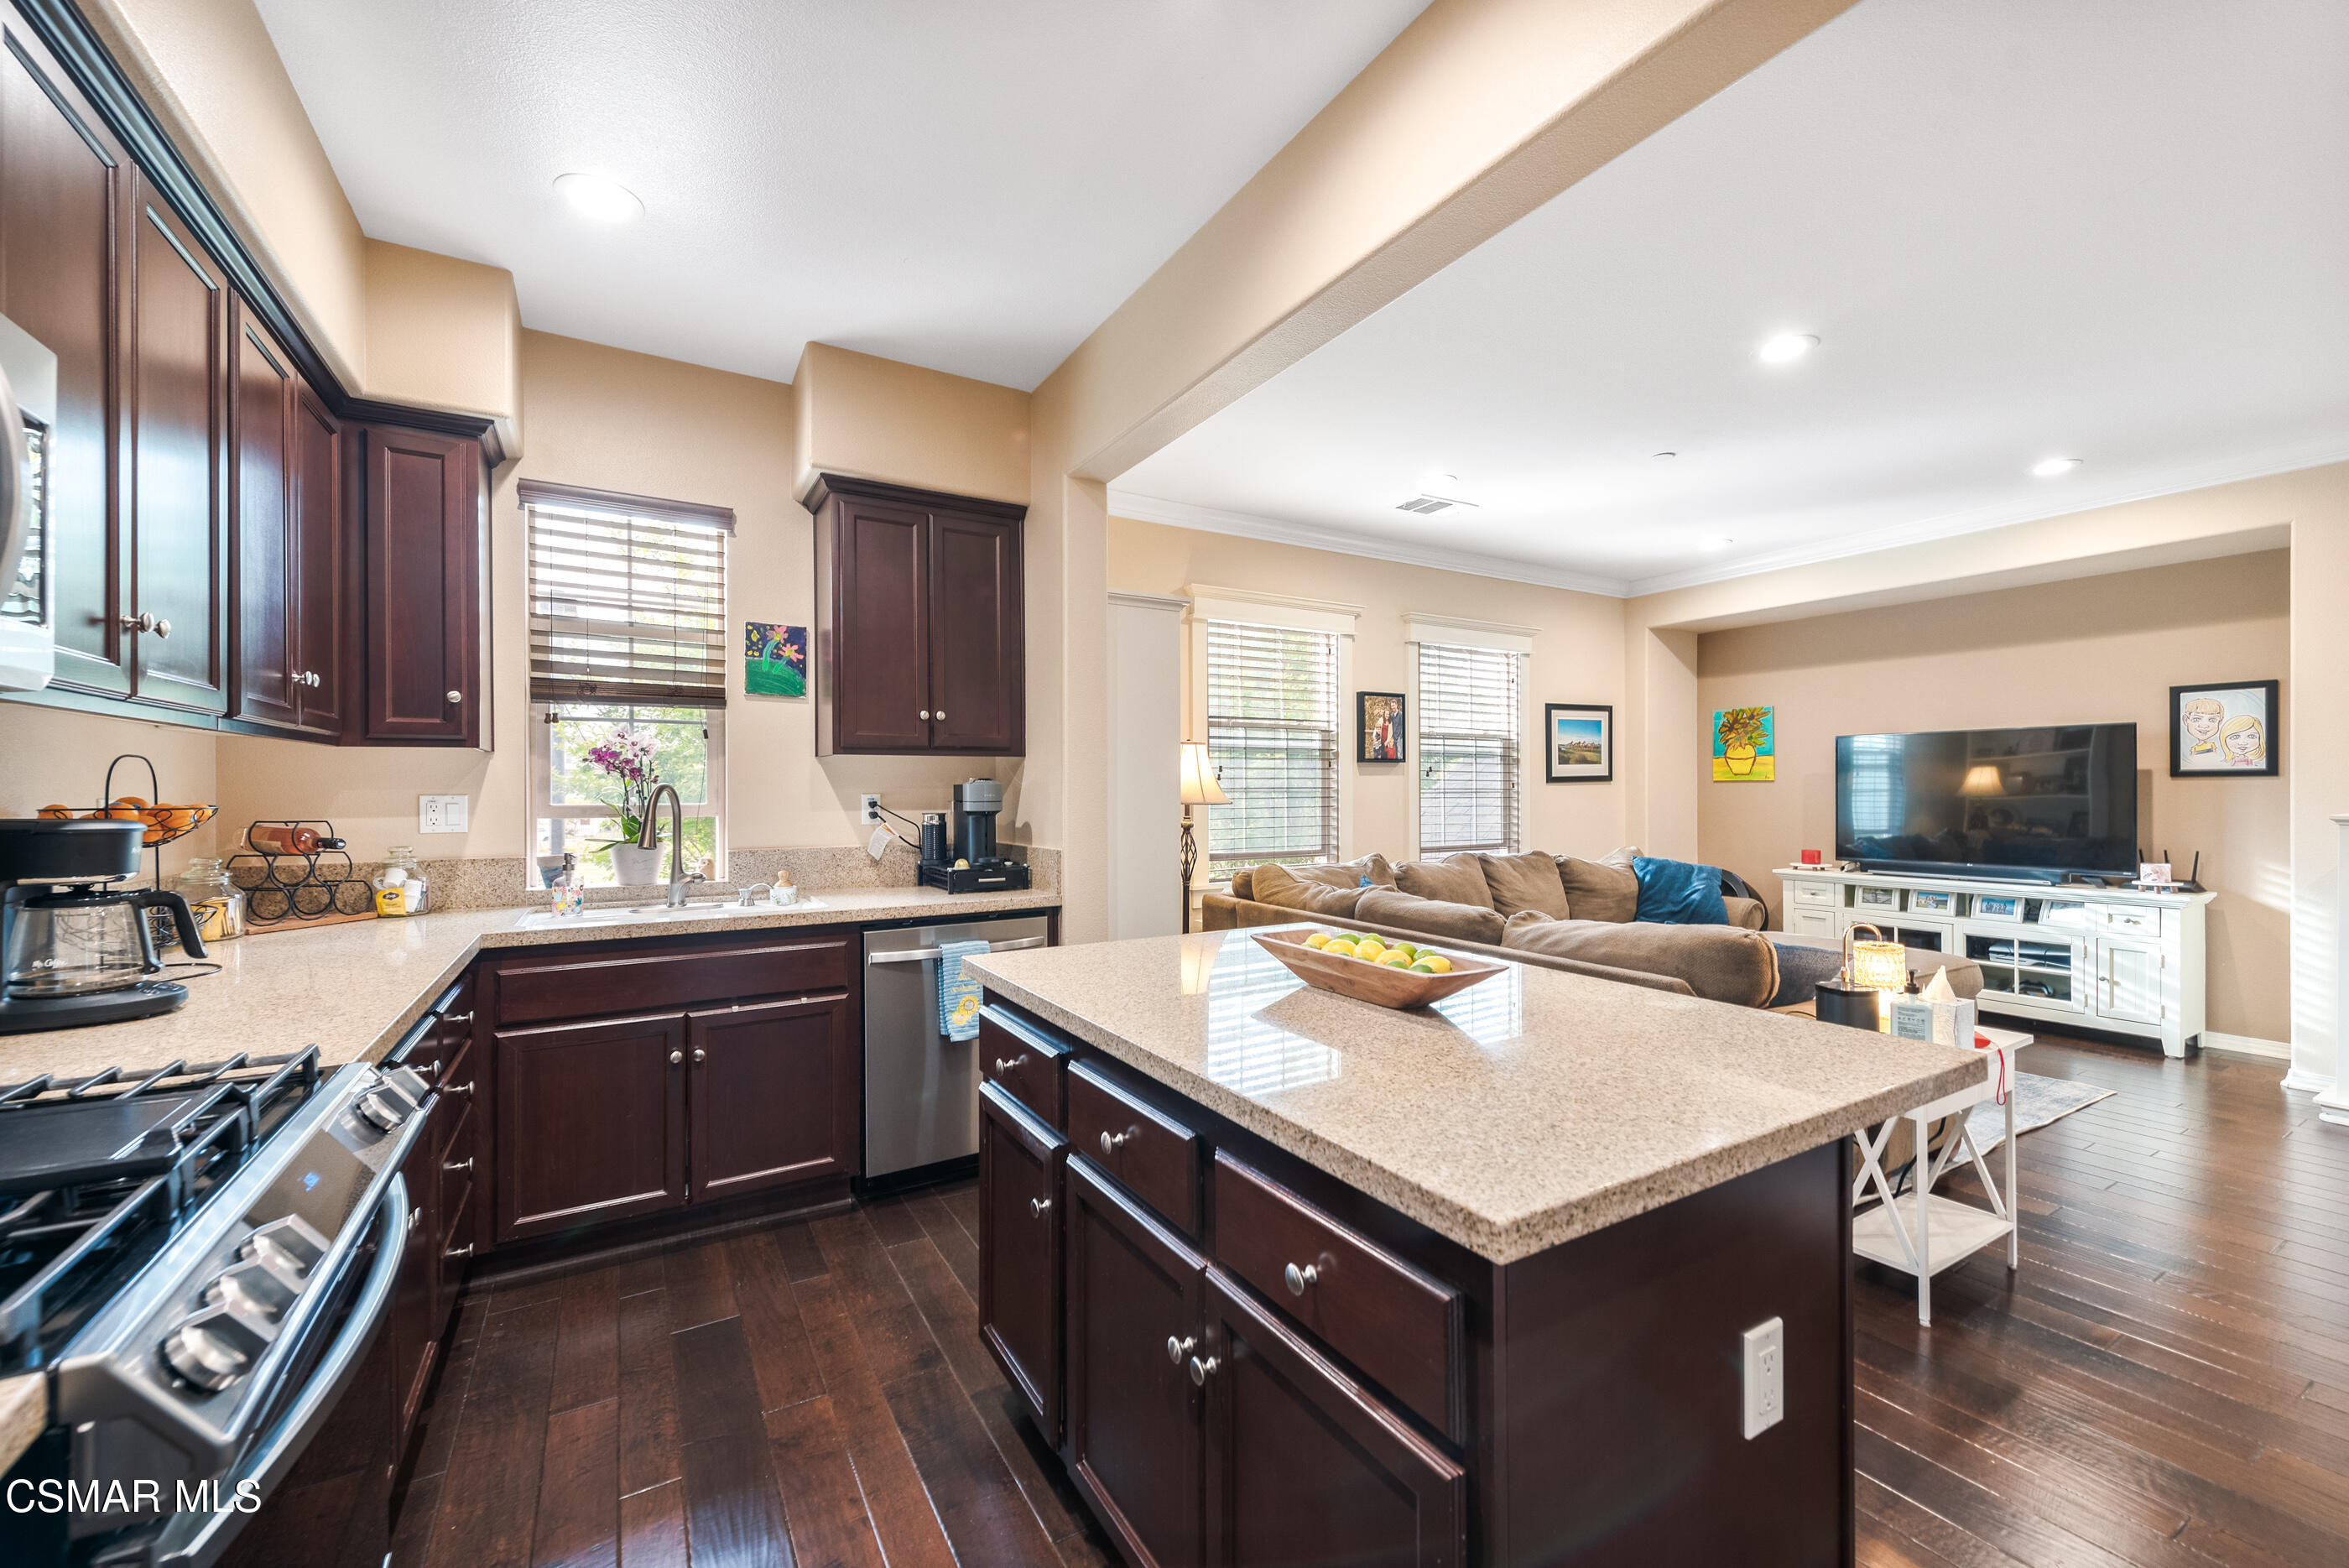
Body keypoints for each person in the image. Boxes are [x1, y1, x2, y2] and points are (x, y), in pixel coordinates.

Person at [2180, 696, 2225, 763]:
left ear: (2220, 722)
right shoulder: (2194, 748)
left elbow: (2215, 757)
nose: (2204, 726)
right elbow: (2191, 759)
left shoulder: (2211, 745)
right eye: (2196, 719)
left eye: (2212, 720)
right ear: (2186, 720)